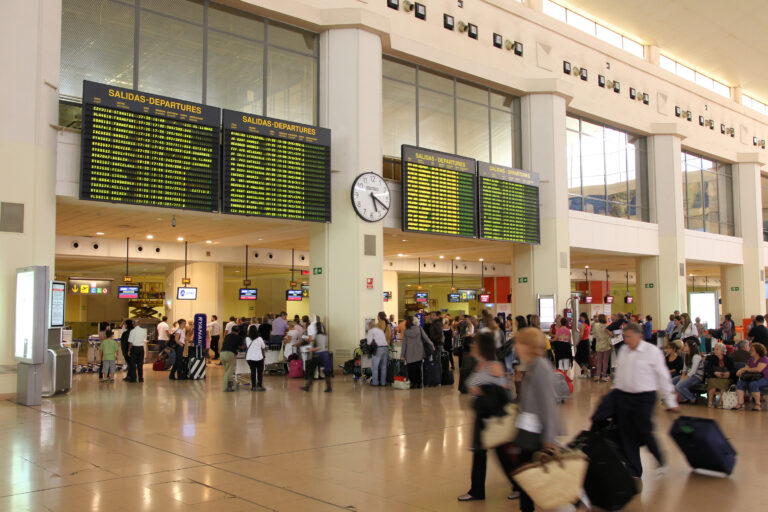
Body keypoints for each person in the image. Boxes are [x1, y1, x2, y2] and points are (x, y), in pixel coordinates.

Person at [591, 322, 678, 478]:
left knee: (644, 431)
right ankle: (634, 469)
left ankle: (660, 459)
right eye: (624, 337)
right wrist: (614, 394)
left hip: (645, 397)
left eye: (629, 337)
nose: (626, 340)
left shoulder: (652, 352)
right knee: (626, 433)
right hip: (624, 396)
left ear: (639, 336)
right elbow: (620, 375)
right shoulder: (624, 350)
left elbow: (663, 376)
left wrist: (671, 401)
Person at [457, 332, 516, 503]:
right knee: (481, 453)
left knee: (500, 455)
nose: (473, 346)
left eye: (476, 343)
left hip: (493, 418)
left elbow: (506, 392)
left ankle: (518, 485)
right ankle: (477, 490)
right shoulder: (480, 364)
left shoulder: (493, 366)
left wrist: (482, 391)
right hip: (482, 417)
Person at [508, 328, 561, 512]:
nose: (515, 347)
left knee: (531, 477)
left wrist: (549, 437)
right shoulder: (531, 366)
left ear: (528, 346)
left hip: (537, 433)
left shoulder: (541, 368)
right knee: (526, 477)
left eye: (519, 343)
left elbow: (547, 404)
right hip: (528, 428)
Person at [732, 342, 768, 411]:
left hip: (765, 378)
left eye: (752, 350)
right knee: (740, 383)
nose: (750, 351)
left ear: (758, 351)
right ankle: (740, 403)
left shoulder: (764, 359)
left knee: (753, 384)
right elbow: (746, 368)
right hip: (753, 377)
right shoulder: (751, 360)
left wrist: (745, 369)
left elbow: (758, 369)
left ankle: (758, 404)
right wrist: (740, 370)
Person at [401, 316, 433, 389]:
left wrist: (402, 355)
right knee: (418, 368)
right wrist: (431, 344)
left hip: (409, 352)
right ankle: (419, 384)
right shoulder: (419, 329)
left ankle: (413, 383)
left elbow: (404, 344)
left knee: (410, 369)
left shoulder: (406, 331)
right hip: (419, 351)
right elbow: (426, 338)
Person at [301, 320, 333, 392]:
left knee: (311, 370)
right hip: (325, 355)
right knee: (326, 372)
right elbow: (324, 345)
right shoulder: (325, 335)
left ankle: (307, 387)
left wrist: (311, 350)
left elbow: (319, 347)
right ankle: (329, 388)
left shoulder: (318, 336)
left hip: (319, 355)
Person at [673, 337, 705, 404]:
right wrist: (682, 376)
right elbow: (685, 369)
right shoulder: (686, 355)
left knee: (679, 385)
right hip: (688, 375)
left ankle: (692, 398)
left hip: (696, 377)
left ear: (690, 347)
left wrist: (684, 378)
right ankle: (684, 397)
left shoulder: (696, 357)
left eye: (685, 345)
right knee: (672, 381)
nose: (684, 347)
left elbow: (693, 371)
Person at [705, 342, 735, 408]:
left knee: (724, 384)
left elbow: (733, 370)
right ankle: (710, 402)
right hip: (714, 376)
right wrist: (715, 373)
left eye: (717, 349)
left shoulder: (728, 359)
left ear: (722, 351)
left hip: (725, 377)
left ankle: (721, 402)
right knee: (712, 383)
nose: (715, 351)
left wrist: (728, 373)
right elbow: (708, 368)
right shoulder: (711, 358)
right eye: (715, 349)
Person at [220, 325, 244, 392]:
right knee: (229, 372)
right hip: (230, 354)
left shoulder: (227, 336)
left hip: (222, 354)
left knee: (227, 371)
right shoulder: (238, 337)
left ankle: (229, 386)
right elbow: (241, 347)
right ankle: (226, 388)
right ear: (238, 331)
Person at [245, 324, 266, 392]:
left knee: (253, 372)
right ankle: (259, 386)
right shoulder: (259, 338)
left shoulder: (247, 338)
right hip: (259, 357)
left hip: (250, 358)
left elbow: (248, 346)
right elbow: (263, 347)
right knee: (259, 372)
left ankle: (253, 387)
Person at [367, 319, 389, 386]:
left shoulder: (370, 331)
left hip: (378, 349)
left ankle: (375, 382)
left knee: (375, 367)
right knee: (383, 366)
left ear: (369, 326)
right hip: (385, 348)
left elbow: (369, 342)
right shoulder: (380, 330)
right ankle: (383, 383)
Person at [592, 314, 612, 382]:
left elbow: (593, 334)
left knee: (599, 361)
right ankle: (604, 376)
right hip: (606, 345)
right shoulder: (607, 326)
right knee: (605, 361)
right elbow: (610, 334)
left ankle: (597, 375)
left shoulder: (595, 326)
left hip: (598, 344)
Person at [575, 312, 591, 378]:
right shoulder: (589, 325)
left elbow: (581, 335)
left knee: (577, 358)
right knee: (585, 358)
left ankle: (585, 370)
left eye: (580, 317)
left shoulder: (583, 325)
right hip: (587, 341)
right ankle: (585, 372)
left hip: (582, 342)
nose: (580, 318)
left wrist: (577, 342)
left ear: (583, 317)